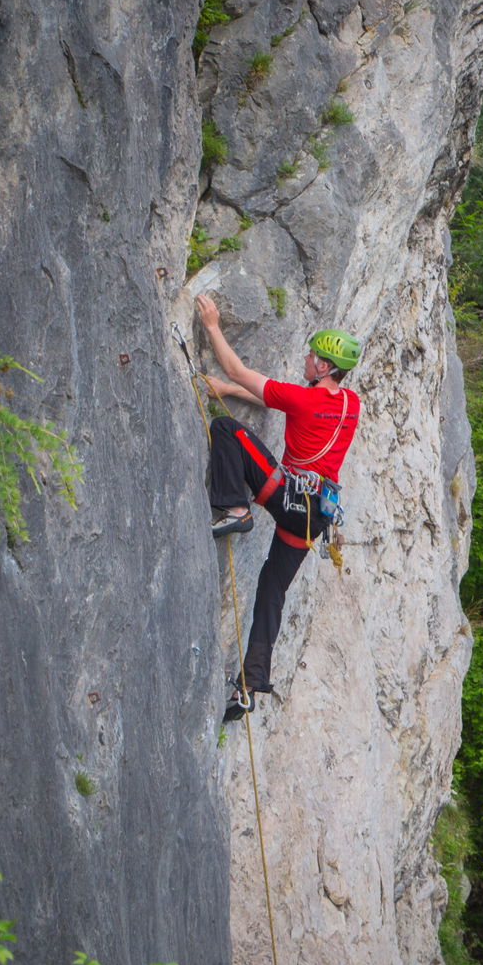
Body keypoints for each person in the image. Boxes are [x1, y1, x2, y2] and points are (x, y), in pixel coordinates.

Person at [196, 292, 362, 719]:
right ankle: (250, 686)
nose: (306, 360)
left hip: (288, 497)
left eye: (312, 357)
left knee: (227, 429)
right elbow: (280, 400)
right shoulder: (350, 405)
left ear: (324, 366)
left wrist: (213, 324)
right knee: (272, 591)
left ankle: (234, 509)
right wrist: (232, 389)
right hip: (317, 516)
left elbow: (238, 369)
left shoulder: (305, 399)